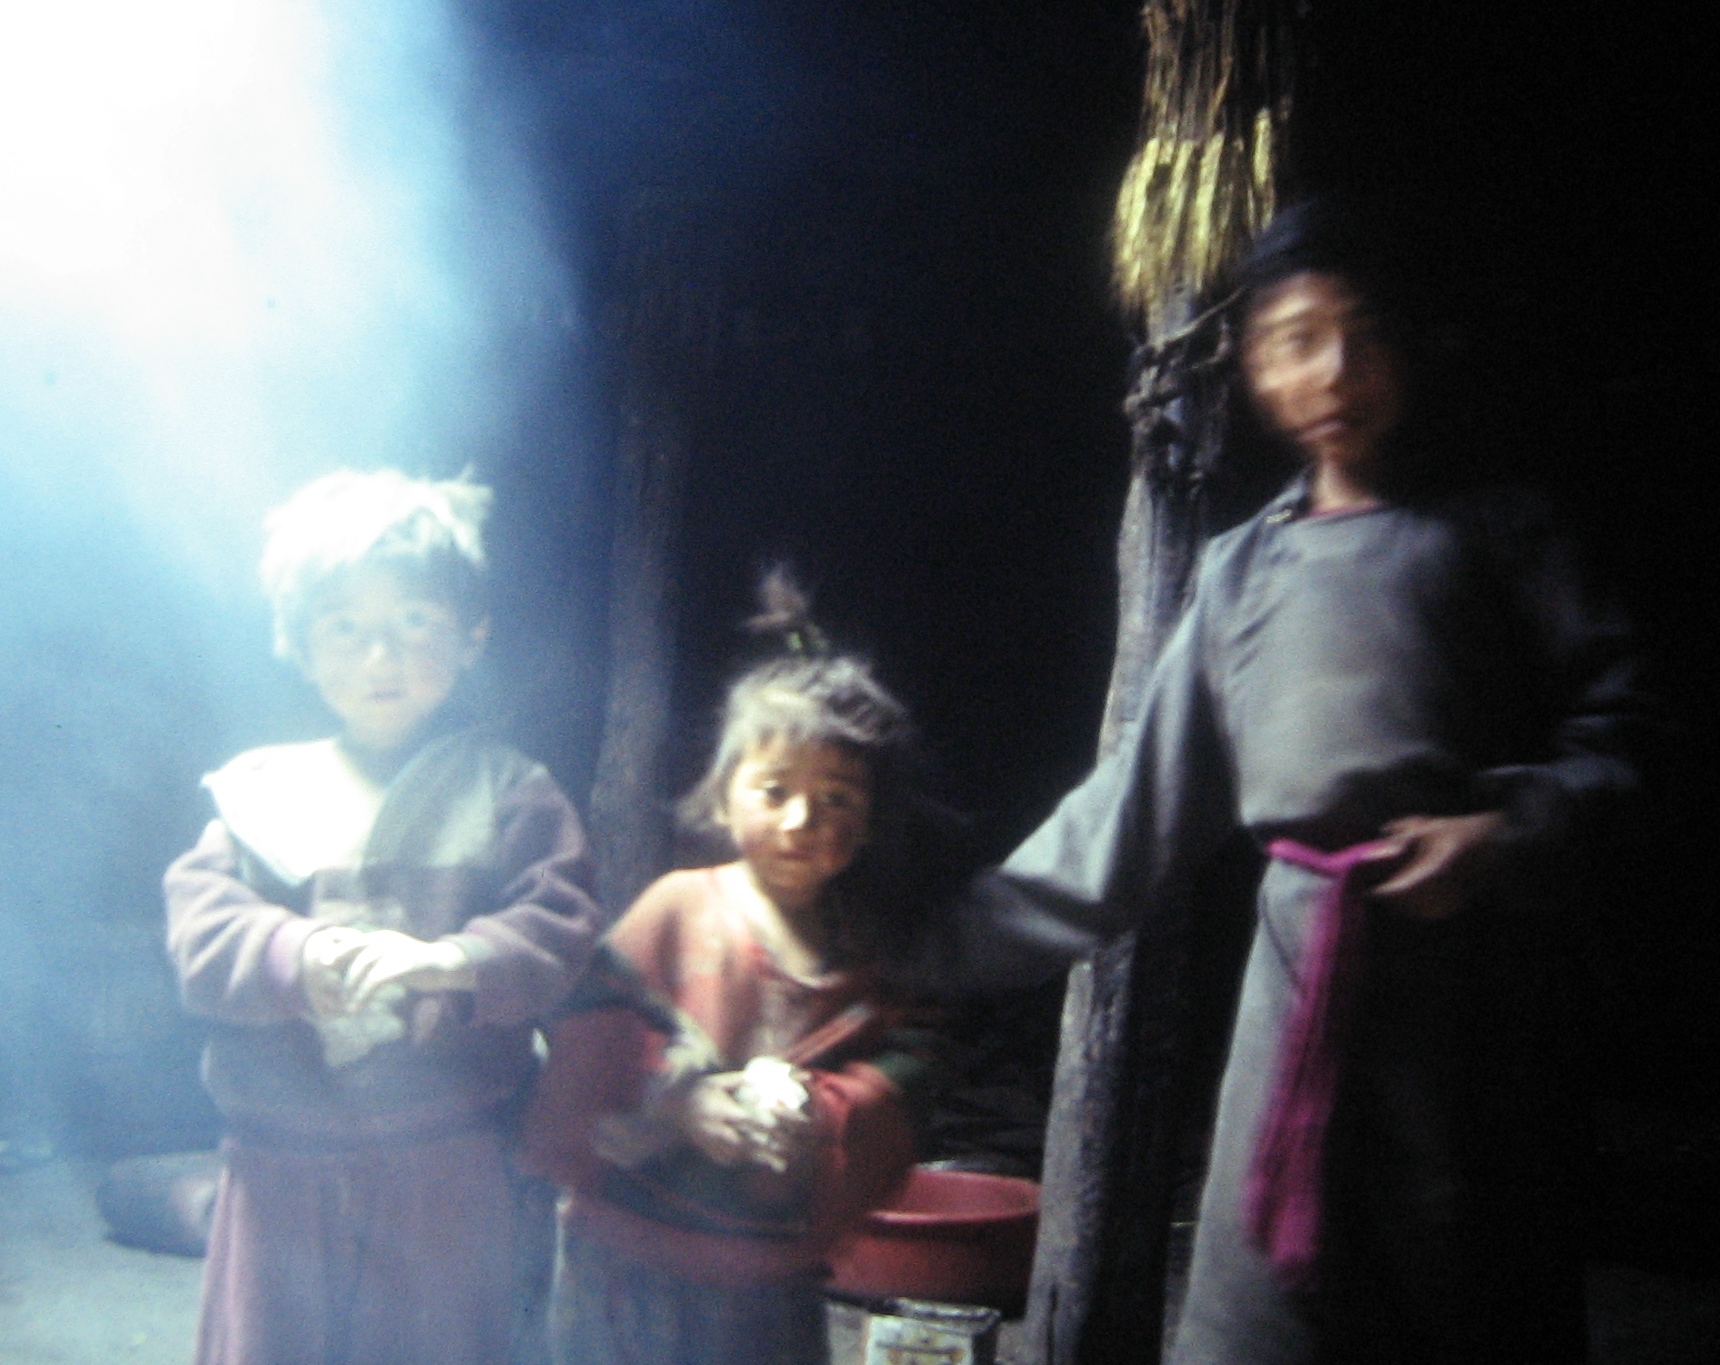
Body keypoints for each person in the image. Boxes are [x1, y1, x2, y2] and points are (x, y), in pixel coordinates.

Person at [935, 200, 1653, 1364]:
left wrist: (1504, 832)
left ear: (1408, 347)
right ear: (1253, 367)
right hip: (1294, 1011)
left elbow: (1629, 742)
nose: (1333, 372)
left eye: (1361, 335)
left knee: (1468, 1300)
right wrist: (920, 944)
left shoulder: (1497, 538)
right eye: (1295, 340)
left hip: (1470, 1024)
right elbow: (1123, 823)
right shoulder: (1241, 573)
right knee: (1261, 1324)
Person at [165, 469, 605, 1365]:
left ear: (472, 635)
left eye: (413, 621)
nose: (381, 657)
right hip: (278, 1163)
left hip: (444, 1161)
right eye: (344, 627)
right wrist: (293, 953)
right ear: (299, 643)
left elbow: (560, 928)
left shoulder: (509, 791)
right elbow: (201, 934)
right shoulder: (258, 794)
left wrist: (452, 959)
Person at [523, 573, 945, 1365]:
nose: (802, 819)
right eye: (774, 789)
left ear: (868, 817)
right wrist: (678, 1100)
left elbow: (909, 1065)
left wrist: (824, 1115)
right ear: (723, 797)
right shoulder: (680, 909)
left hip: (769, 1275)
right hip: (631, 1258)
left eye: (837, 798)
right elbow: (587, 1031)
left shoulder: (864, 948)